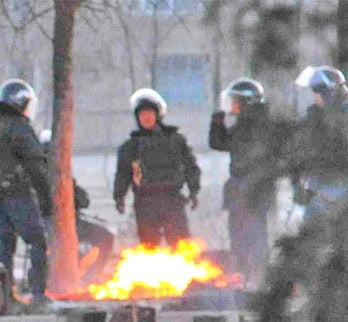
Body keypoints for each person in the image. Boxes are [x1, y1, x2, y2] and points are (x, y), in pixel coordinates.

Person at [0, 78, 52, 305]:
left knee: (6, 246)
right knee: (37, 242)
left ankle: (5, 296)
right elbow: (36, 165)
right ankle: (38, 294)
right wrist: (46, 197)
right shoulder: (20, 128)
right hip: (18, 194)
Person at [209, 77, 279, 286]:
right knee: (238, 232)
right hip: (240, 189)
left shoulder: (258, 127)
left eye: (236, 102)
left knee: (255, 233)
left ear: (247, 103)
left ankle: (258, 275)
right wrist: (217, 124)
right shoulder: (243, 125)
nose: (232, 106)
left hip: (255, 189)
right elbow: (219, 143)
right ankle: (242, 273)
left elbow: (232, 145)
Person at [113, 88, 201, 248]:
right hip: (145, 202)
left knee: (181, 246)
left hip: (172, 200)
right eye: (142, 115)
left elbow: (191, 167)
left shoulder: (176, 140)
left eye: (149, 114)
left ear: (158, 115)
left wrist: (194, 191)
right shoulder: (131, 147)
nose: (146, 118)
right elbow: (123, 174)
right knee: (148, 248)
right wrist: (119, 197)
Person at [288, 65, 348, 221]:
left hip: (342, 191)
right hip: (318, 191)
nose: (315, 97)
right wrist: (298, 186)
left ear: (329, 93)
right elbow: (298, 154)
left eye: (318, 92)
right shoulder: (315, 119)